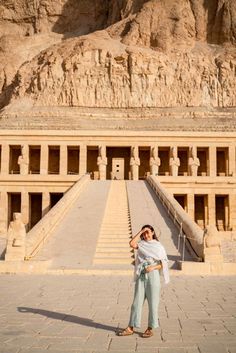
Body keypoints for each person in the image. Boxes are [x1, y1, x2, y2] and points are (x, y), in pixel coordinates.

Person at [118, 224, 169, 338]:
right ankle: (131, 327)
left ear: (152, 232)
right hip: (142, 275)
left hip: (153, 275)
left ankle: (150, 328)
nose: (146, 235)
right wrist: (140, 231)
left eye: (148, 232)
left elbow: (164, 263)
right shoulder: (141, 244)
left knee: (153, 303)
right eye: (144, 233)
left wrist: (153, 268)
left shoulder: (158, 246)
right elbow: (131, 243)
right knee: (136, 302)